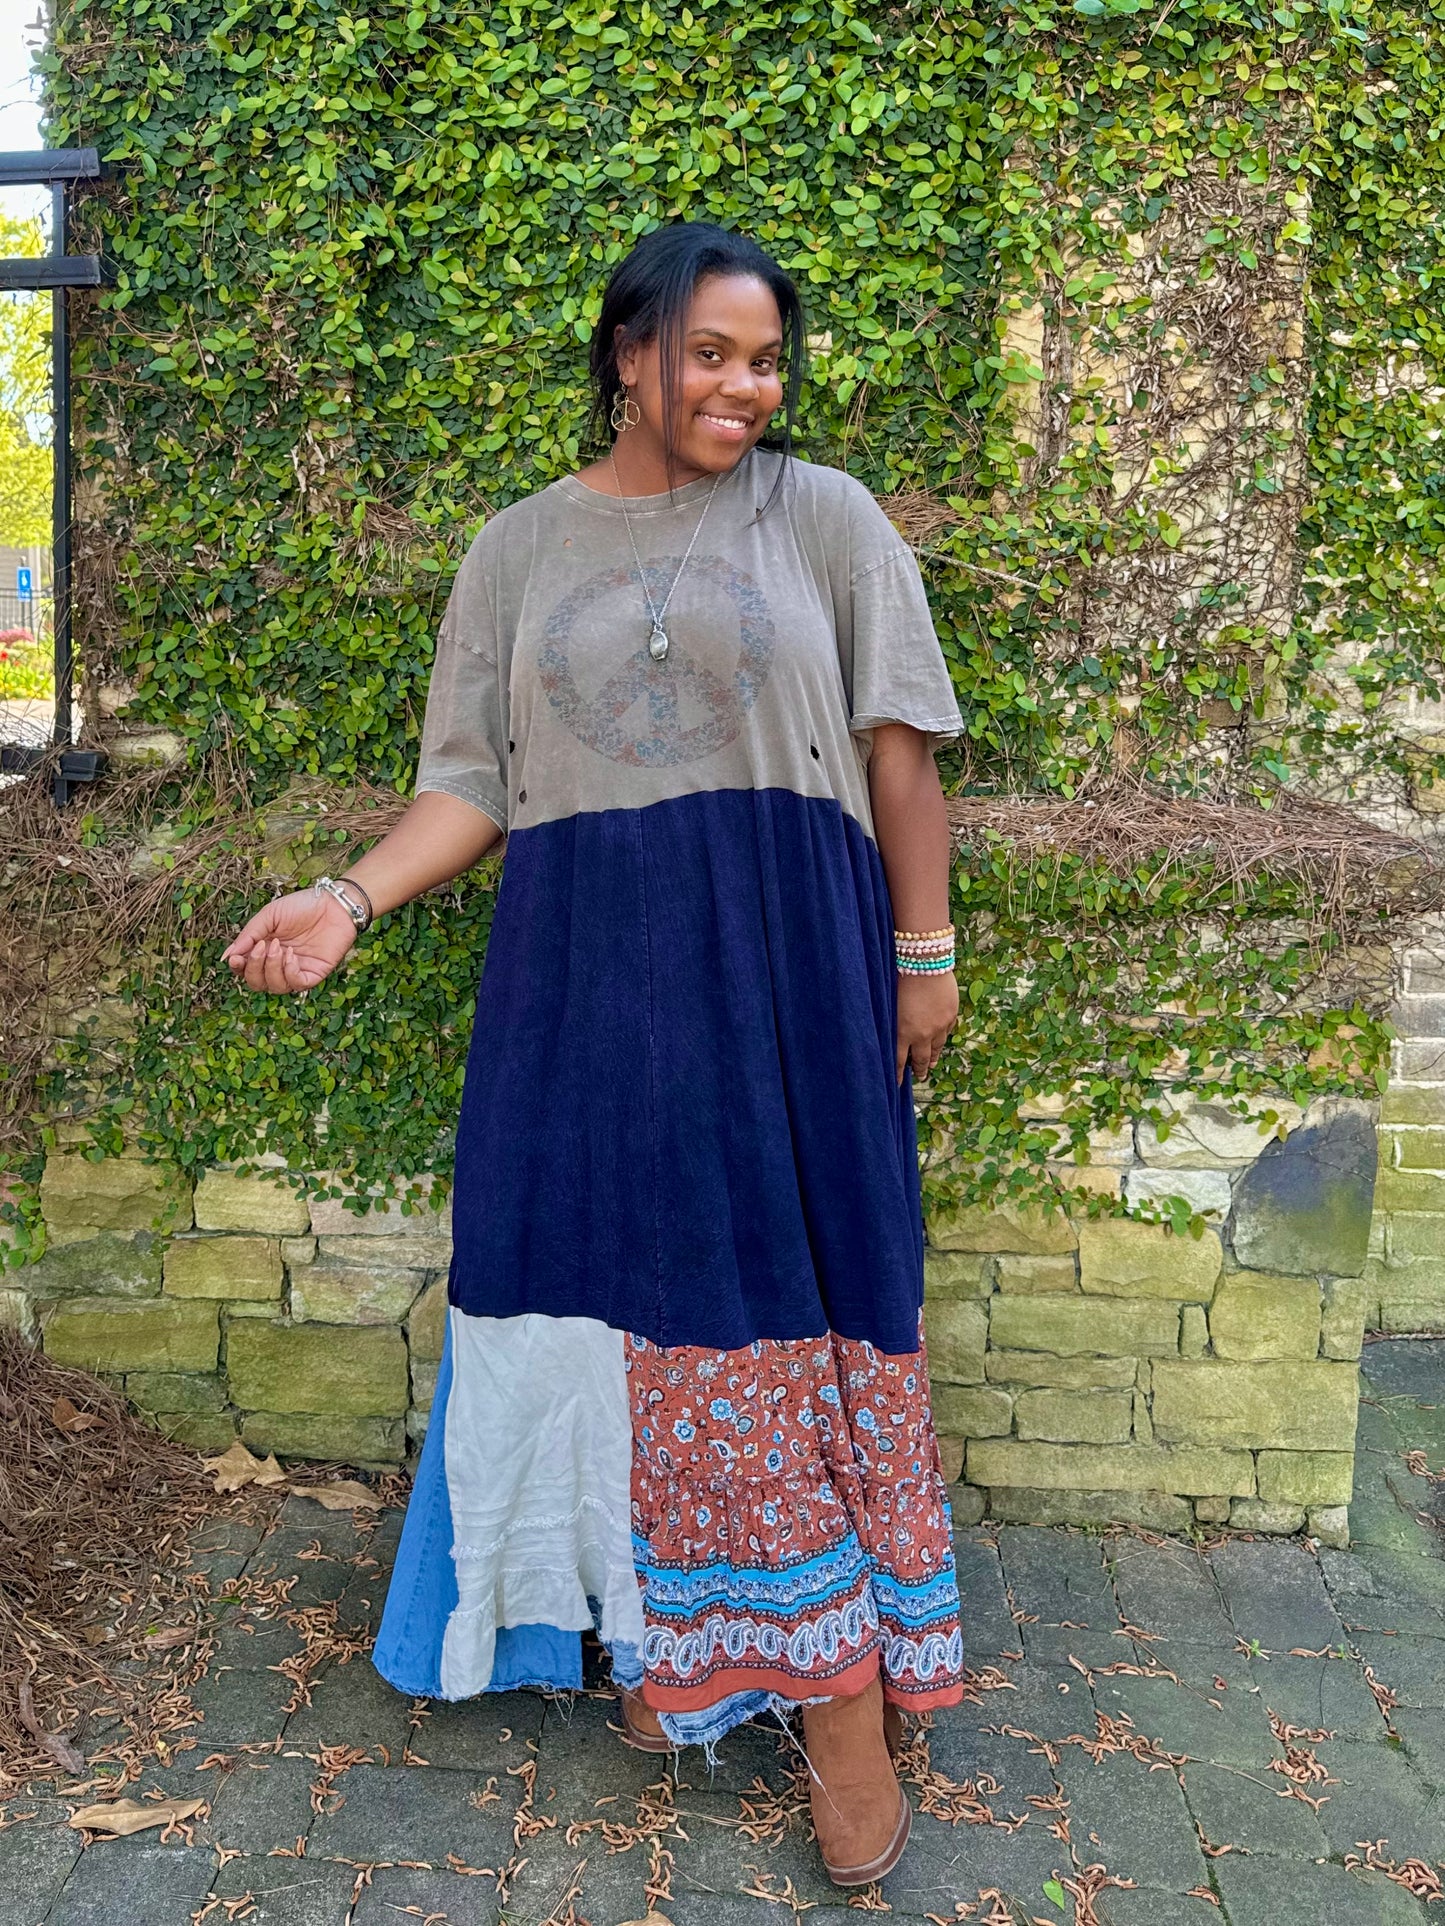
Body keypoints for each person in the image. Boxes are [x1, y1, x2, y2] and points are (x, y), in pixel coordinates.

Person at [222, 220, 966, 1888]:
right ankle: (659, 1633)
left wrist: (920, 957)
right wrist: (346, 899)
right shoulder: (516, 550)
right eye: (708, 353)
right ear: (628, 355)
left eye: (765, 360)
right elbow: (469, 783)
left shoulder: (824, 518)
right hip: (585, 977)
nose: (744, 386)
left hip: (785, 970)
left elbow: (899, 759)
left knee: (788, 1302)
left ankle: (841, 1697)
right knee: (604, 1299)